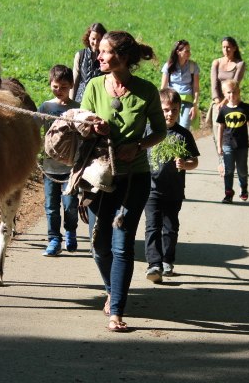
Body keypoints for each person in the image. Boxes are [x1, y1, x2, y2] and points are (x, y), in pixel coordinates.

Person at [80, 30, 167, 332]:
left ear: (124, 57)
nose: (99, 56)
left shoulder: (147, 91)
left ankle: (116, 309)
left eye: (105, 52)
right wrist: (94, 127)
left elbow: (160, 131)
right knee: (98, 245)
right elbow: (80, 122)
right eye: (99, 52)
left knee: (122, 244)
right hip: (99, 177)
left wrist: (139, 146)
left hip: (135, 178)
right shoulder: (93, 86)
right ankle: (111, 287)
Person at [144, 88, 200, 283]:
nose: (169, 114)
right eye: (165, 110)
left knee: (170, 227)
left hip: (174, 191)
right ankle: (154, 264)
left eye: (174, 110)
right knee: (152, 226)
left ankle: (167, 260)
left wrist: (185, 164)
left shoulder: (183, 135)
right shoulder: (149, 130)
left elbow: (195, 161)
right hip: (150, 189)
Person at [38, 65, 81, 256]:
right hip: (49, 168)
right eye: (55, 86)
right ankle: (54, 239)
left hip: (72, 168)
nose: (59, 90)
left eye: (64, 87)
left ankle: (71, 231)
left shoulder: (78, 108)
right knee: (51, 207)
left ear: (71, 85)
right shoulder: (46, 107)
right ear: (50, 84)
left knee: (71, 205)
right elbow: (32, 128)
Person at [216, 79, 249, 203]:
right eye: (228, 92)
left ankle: (244, 187)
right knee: (228, 170)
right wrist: (219, 146)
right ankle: (228, 193)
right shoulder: (223, 110)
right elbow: (220, 128)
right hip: (227, 144)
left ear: (239, 91)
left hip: (242, 145)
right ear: (224, 94)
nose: (232, 95)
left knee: (242, 169)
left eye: (234, 92)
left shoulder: (245, 108)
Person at [209, 37, 246, 151]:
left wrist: (225, 102)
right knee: (217, 131)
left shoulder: (240, 64)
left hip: (232, 101)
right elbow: (214, 83)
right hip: (218, 101)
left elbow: (235, 84)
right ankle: (221, 158)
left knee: (232, 131)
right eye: (224, 47)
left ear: (234, 48)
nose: (226, 50)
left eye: (228, 47)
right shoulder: (216, 62)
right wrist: (217, 102)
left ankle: (232, 155)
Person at [160, 40, 200, 130]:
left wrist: (195, 105)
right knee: (171, 125)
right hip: (172, 100)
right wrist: (162, 103)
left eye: (189, 50)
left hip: (187, 101)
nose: (189, 53)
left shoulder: (193, 66)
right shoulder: (168, 66)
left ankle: (182, 143)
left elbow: (196, 87)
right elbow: (163, 87)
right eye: (186, 51)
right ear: (178, 52)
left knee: (184, 127)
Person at [70, 22, 108, 103]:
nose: (96, 42)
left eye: (99, 39)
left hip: (100, 101)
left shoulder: (107, 57)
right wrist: (71, 102)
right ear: (88, 38)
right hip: (80, 100)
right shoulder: (80, 55)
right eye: (93, 39)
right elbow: (74, 81)